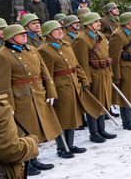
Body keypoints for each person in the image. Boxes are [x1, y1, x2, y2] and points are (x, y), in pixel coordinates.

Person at [0, 24, 62, 176]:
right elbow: (1, 85)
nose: (24, 35)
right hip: (20, 98)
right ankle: (26, 162)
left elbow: (45, 72)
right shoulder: (1, 55)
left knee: (35, 129)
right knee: (23, 131)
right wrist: (7, 105)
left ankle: (34, 159)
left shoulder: (32, 49)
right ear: (10, 38)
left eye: (24, 33)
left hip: (36, 93)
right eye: (20, 34)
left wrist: (50, 91)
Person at [38, 20, 101, 156]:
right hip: (60, 87)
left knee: (72, 115)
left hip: (73, 84)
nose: (61, 31)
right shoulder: (44, 50)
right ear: (48, 34)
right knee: (62, 117)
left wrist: (83, 79)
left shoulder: (65, 45)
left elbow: (76, 65)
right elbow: (47, 75)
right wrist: (51, 93)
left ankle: (70, 145)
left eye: (61, 29)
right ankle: (62, 148)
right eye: (56, 30)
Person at [73, 12, 116, 143]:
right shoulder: (81, 39)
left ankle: (101, 129)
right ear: (88, 24)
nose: (99, 23)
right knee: (94, 103)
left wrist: (110, 71)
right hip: (93, 74)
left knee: (103, 101)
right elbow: (82, 62)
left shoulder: (100, 35)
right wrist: (87, 80)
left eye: (99, 21)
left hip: (104, 72)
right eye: (96, 21)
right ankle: (94, 132)